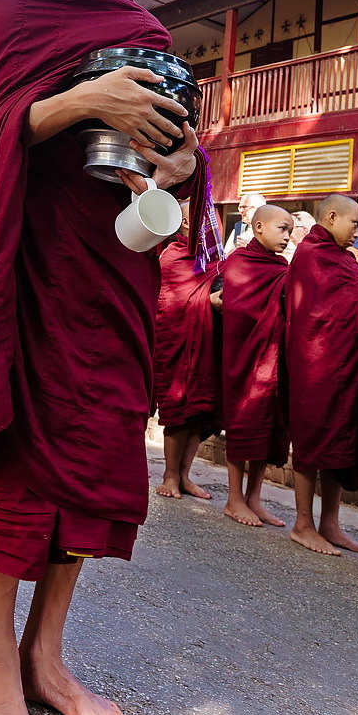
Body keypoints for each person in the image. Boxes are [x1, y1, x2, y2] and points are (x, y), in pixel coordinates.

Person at [0, 0, 201, 715]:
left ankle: (47, 659)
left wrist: (180, 166)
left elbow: (174, 136)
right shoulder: (23, 6)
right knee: (25, 453)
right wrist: (83, 100)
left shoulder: (145, 28)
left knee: (97, 455)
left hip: (114, 270)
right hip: (34, 266)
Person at [285, 193, 358, 558]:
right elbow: (316, 313)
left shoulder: (343, 257)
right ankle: (303, 524)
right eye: (355, 223)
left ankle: (330, 524)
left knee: (342, 438)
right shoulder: (311, 254)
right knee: (312, 438)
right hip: (316, 363)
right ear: (332, 217)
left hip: (347, 361)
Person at [221, 204, 293, 529]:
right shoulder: (239, 263)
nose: (288, 237)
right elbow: (237, 308)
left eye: (291, 231)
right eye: (282, 229)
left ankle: (254, 498)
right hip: (244, 356)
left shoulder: (281, 266)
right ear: (259, 226)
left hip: (273, 358)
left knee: (267, 425)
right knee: (243, 423)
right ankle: (233, 498)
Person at [153, 207, 225, 503]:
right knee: (180, 410)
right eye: (209, 222)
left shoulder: (212, 260)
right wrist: (206, 300)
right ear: (186, 222)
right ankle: (170, 474)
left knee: (201, 412)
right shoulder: (172, 256)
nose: (214, 229)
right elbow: (169, 303)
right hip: (180, 343)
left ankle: (184, 473)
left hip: (208, 342)